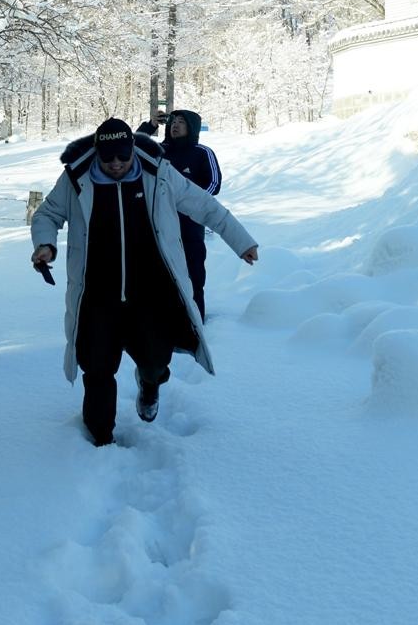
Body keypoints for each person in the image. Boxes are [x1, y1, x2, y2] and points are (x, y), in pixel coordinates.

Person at [30, 117, 258, 446]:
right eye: (108, 158)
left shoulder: (159, 174)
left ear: (132, 150)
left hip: (150, 293)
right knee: (97, 368)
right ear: (97, 153)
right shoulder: (76, 178)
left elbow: (205, 206)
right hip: (97, 295)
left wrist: (243, 242)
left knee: (155, 361)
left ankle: (149, 386)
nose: (116, 164)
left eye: (123, 157)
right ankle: (99, 440)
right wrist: (45, 244)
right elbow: (46, 214)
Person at [141, 110, 221, 319]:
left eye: (181, 122)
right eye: (173, 121)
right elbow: (131, 148)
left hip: (190, 223)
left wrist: (191, 203)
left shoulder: (202, 152)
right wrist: (150, 126)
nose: (175, 125)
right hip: (158, 222)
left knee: (192, 270)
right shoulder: (158, 150)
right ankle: (161, 321)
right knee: (157, 271)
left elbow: (214, 184)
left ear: (192, 127)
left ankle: (195, 320)